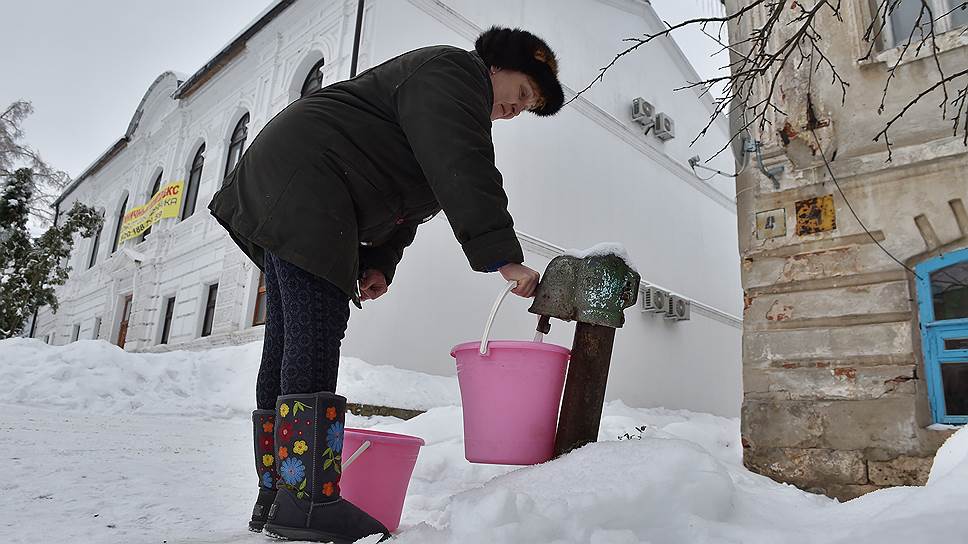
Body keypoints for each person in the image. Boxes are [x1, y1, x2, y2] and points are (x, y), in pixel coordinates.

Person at [208, 26, 564, 543]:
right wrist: (505, 259)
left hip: (295, 177)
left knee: (288, 336)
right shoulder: (453, 72)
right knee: (314, 329)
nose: (518, 109)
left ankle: (279, 494)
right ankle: (306, 499)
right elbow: (462, 168)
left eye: (529, 108)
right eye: (524, 92)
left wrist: (379, 262)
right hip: (310, 177)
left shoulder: (440, 97)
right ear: (498, 64)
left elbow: (409, 196)